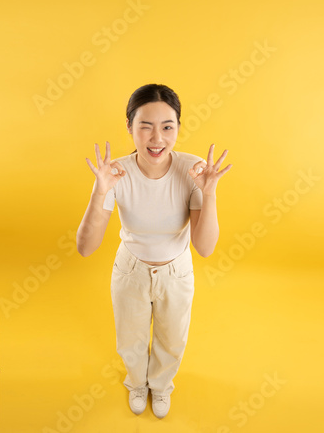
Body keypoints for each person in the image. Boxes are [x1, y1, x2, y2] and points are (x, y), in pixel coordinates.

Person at [76, 84, 232, 418]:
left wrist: (209, 193)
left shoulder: (193, 171)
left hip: (176, 272)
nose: (156, 138)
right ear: (130, 127)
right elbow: (85, 247)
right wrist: (99, 191)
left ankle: (160, 387)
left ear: (178, 128)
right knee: (130, 337)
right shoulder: (115, 173)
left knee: (172, 339)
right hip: (130, 270)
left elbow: (204, 248)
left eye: (167, 127)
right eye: (145, 126)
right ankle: (136, 383)